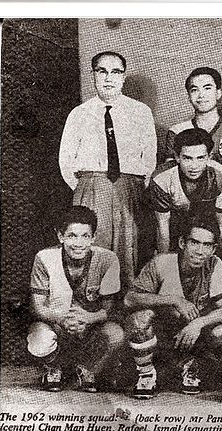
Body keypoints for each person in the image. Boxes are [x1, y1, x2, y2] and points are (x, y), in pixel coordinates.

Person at [59, 51, 157, 290]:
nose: (108, 78)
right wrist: (89, 186)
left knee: (129, 252)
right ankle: (92, 304)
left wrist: (132, 187)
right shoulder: (79, 114)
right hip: (91, 188)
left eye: (115, 72)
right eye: (102, 71)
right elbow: (66, 161)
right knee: (93, 247)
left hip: (129, 190)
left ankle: (125, 309)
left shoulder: (140, 112)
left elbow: (149, 156)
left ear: (123, 77)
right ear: (93, 75)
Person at [124, 216, 222, 399]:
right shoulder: (162, 263)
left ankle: (192, 367)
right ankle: (147, 374)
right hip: (161, 333)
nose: (200, 251)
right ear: (182, 242)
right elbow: (130, 299)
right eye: (194, 243)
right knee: (140, 318)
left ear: (213, 249)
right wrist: (173, 300)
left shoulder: (214, 264)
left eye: (207, 245)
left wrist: (197, 325)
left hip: (190, 335)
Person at [27, 206, 125, 393]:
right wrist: (61, 319)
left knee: (116, 334)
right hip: (57, 325)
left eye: (85, 236)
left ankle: (86, 368)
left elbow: (109, 310)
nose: (78, 243)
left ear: (93, 237)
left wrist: (89, 318)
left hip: (90, 327)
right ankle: (54, 366)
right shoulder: (45, 258)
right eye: (72, 236)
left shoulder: (108, 259)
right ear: (60, 236)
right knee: (39, 340)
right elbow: (37, 307)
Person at [146, 128, 222, 253]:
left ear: (209, 157)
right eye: (187, 158)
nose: (194, 166)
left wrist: (213, 259)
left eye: (200, 158)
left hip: (206, 225)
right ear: (177, 157)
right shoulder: (161, 179)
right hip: (174, 225)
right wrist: (164, 262)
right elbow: (162, 227)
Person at [166, 67, 222, 182]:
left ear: (218, 93)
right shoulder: (177, 131)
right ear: (189, 97)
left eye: (207, 88)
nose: (201, 95)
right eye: (194, 90)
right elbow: (170, 174)